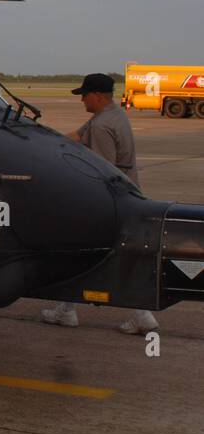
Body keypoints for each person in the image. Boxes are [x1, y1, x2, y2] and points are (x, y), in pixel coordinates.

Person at [41, 72, 157, 335]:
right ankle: (137, 313)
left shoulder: (102, 126)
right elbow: (77, 137)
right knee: (107, 255)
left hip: (108, 202)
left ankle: (70, 310)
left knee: (80, 252)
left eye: (84, 95)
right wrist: (43, 139)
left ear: (97, 96)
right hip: (128, 196)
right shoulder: (112, 116)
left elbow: (103, 171)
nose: (82, 100)